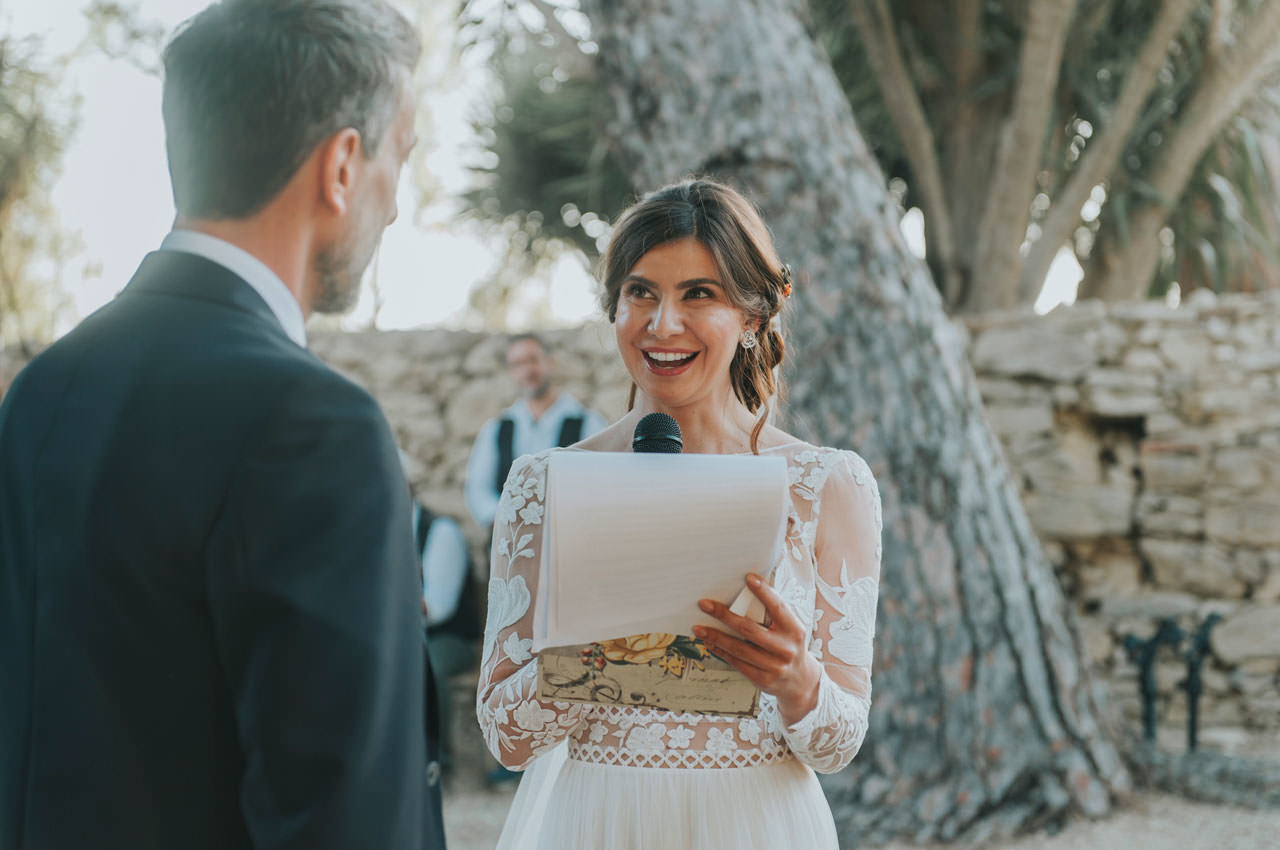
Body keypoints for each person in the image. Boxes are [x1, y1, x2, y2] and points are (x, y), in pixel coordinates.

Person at [0, 3, 445, 849]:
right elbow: (348, 818)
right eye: (402, 159)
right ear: (343, 165)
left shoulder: (44, 391)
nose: (394, 209)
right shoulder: (316, 426)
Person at [476, 179, 883, 849]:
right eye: (641, 292)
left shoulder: (828, 485)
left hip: (756, 825)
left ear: (752, 317)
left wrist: (796, 679)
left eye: (699, 294)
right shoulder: (543, 486)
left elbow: (839, 743)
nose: (663, 324)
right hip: (596, 822)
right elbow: (507, 740)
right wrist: (596, 653)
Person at [464, 333, 608, 532]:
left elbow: (601, 483)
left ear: (550, 363)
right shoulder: (496, 428)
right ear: (511, 372)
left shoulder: (587, 422)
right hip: (511, 542)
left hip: (570, 537)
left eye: (533, 360)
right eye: (517, 364)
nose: (527, 370)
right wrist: (504, 519)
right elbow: (478, 488)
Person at [412, 496, 480, 775]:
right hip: (400, 635)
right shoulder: (372, 531)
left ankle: (435, 759)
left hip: (450, 637)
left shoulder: (440, 531)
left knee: (427, 664)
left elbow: (438, 606)